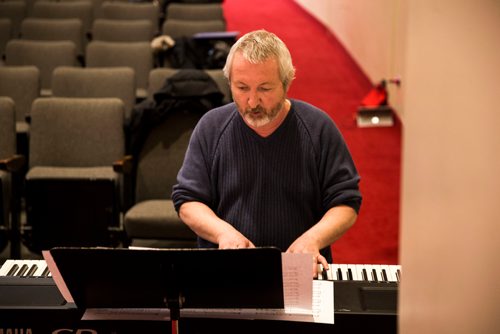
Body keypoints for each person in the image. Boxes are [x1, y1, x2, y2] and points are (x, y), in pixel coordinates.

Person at [172, 29, 362, 276]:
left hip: (301, 273)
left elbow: (346, 201)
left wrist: (313, 238)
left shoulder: (318, 128)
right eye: (241, 88)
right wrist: (223, 233)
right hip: (226, 271)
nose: (252, 102)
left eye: (264, 89)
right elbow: (188, 200)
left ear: (287, 82)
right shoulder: (211, 127)